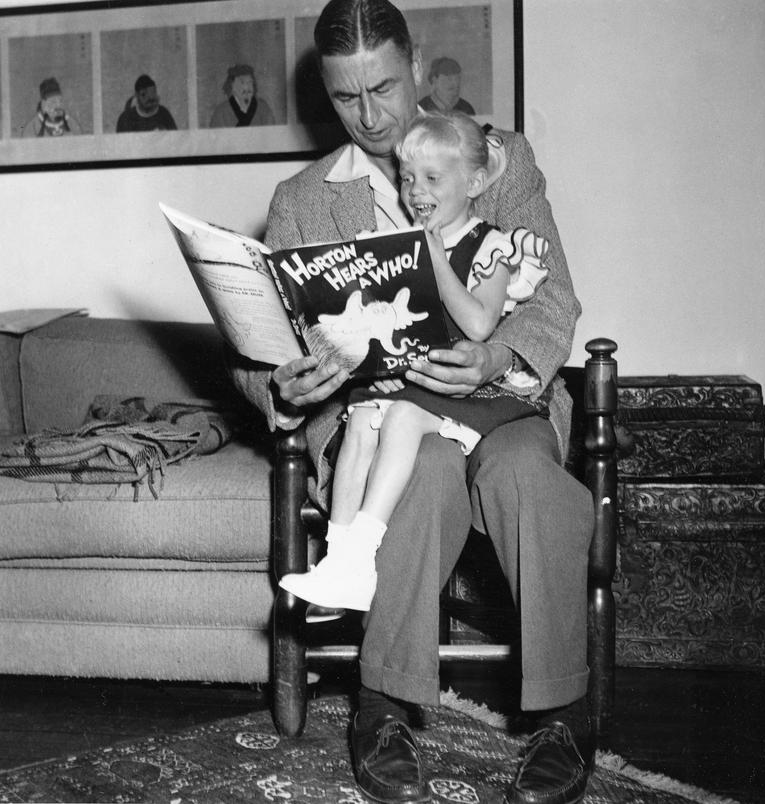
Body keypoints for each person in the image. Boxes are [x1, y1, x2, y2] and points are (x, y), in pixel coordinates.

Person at [225, 1, 595, 802]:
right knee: (420, 469)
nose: (371, 117)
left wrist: (497, 353)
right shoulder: (303, 199)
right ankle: (383, 708)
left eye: (384, 88)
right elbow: (257, 355)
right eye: (346, 98)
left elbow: (554, 300)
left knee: (528, 479)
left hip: (499, 406)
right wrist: (283, 382)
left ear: (419, 65)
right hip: (385, 418)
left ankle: (566, 711)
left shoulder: (498, 160)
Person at [279, 111, 550, 613]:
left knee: (400, 419)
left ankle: (361, 551)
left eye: (431, 179)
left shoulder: (491, 245)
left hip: (477, 395)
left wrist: (436, 259)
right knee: (360, 418)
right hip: (419, 382)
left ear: (472, 182)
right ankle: (343, 565)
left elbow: (478, 325)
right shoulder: (405, 241)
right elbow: (401, 329)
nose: (415, 191)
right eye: (407, 178)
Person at [209, 64, 276, 128]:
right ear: (232, 86)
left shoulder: (263, 107)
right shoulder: (221, 112)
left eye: (250, 82)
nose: (247, 87)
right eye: (242, 83)